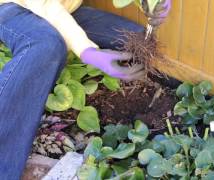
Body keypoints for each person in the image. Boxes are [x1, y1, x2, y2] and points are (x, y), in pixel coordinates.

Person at [0, 0, 171, 179]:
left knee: (135, 38)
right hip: (15, 7)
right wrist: (87, 51)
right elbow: (45, 5)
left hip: (65, 10)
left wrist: (147, 2)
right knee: (46, 45)